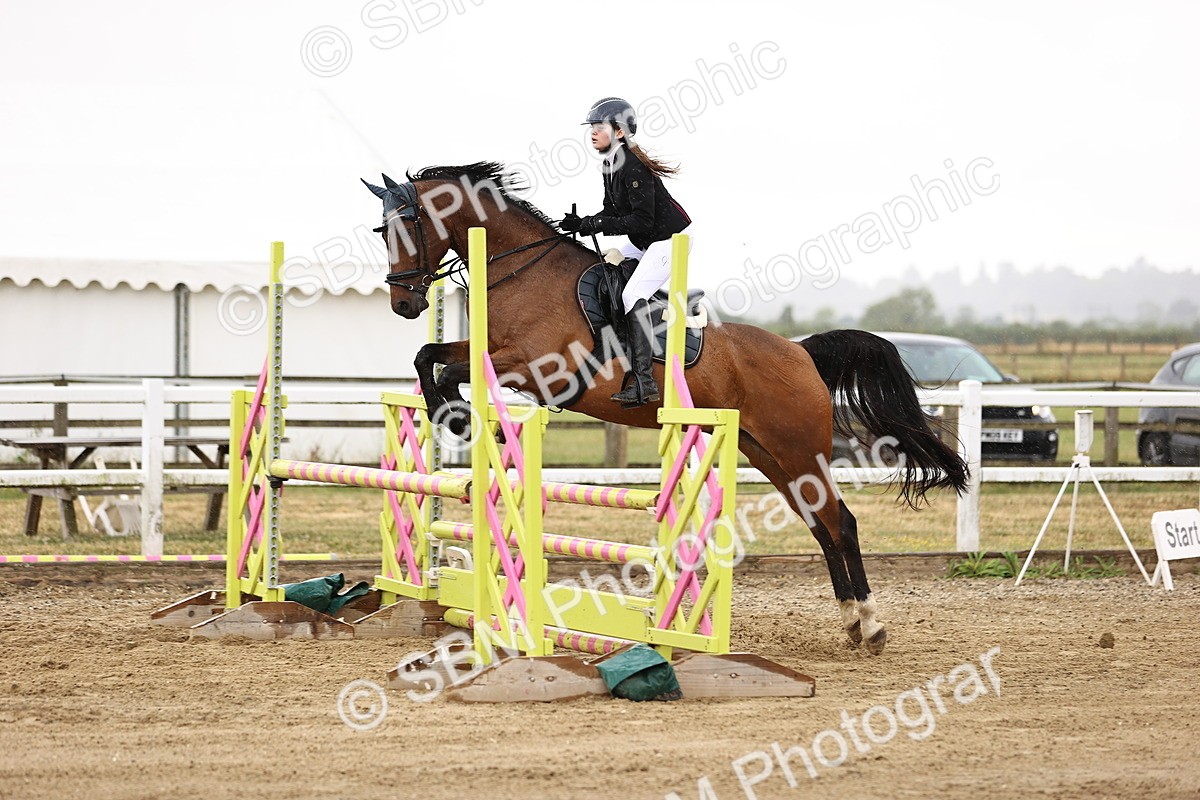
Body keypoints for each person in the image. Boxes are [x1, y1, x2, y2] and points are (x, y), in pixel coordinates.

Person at [559, 97, 693, 407]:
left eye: (599, 127)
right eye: (591, 127)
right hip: (643, 238)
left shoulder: (632, 165)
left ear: (619, 132)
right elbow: (611, 211)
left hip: (668, 240)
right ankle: (617, 339)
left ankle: (644, 382)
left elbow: (641, 220)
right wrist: (582, 223)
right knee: (604, 269)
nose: (592, 133)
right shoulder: (610, 163)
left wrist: (595, 223)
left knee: (632, 295)